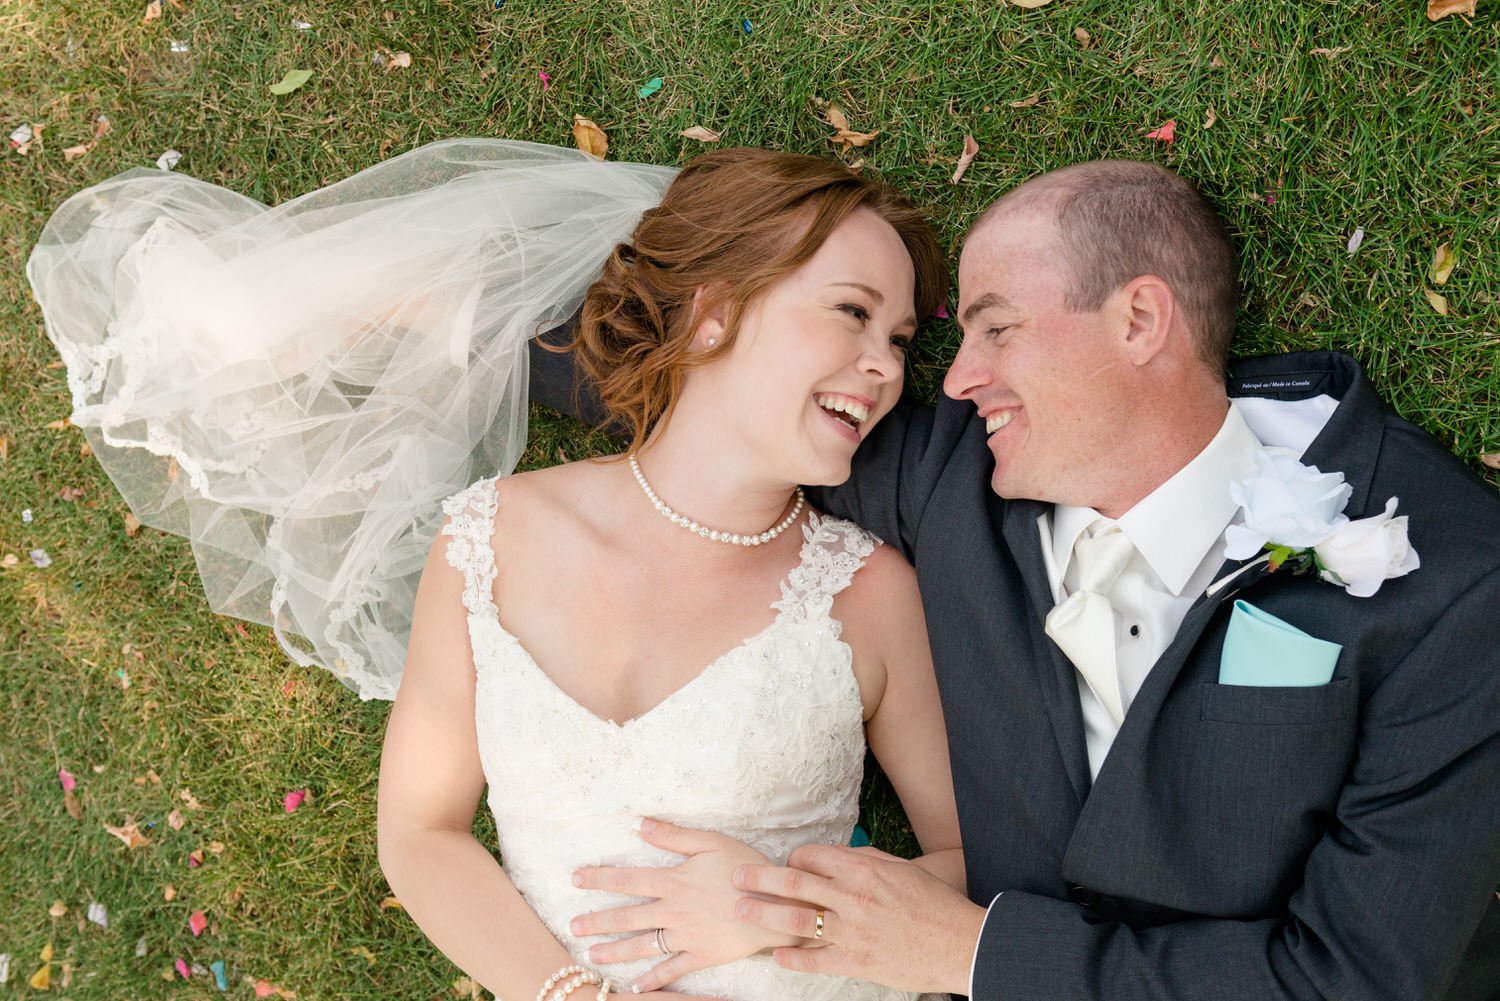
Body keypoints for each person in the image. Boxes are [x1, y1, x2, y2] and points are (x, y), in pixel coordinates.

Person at [531, 160, 1500, 1001]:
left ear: (1140, 319)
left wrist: (975, 952)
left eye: (994, 329)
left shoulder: (1453, 578)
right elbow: (732, 407)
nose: (955, 380)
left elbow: (1360, 979)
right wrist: (451, 320)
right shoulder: (946, 479)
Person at [29, 141, 965, 1001]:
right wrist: (567, 994)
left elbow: (973, 862)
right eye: (852, 313)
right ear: (717, 314)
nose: (882, 367)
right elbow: (422, 833)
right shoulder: (491, 537)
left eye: (898, 340)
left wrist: (781, 909)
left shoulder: (868, 592)